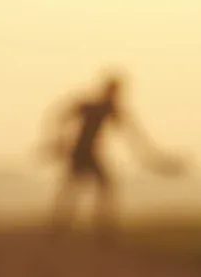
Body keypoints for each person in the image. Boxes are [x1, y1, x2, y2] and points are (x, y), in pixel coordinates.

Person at [42, 73, 181, 233]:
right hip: (81, 153)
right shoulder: (93, 106)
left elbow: (134, 136)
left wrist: (151, 157)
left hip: (87, 154)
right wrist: (59, 141)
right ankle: (68, 226)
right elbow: (61, 116)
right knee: (82, 188)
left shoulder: (109, 109)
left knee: (83, 188)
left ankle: (77, 226)